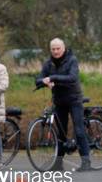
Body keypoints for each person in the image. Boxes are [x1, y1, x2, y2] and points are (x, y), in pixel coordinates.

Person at [36, 37, 91, 171]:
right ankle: (58, 164)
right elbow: (38, 79)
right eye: (53, 49)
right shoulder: (48, 63)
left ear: (64, 48)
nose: (55, 51)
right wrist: (43, 82)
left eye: (58, 48)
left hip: (74, 99)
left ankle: (86, 162)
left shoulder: (72, 60)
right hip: (59, 101)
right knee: (60, 133)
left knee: (79, 130)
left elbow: (72, 78)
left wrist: (53, 78)